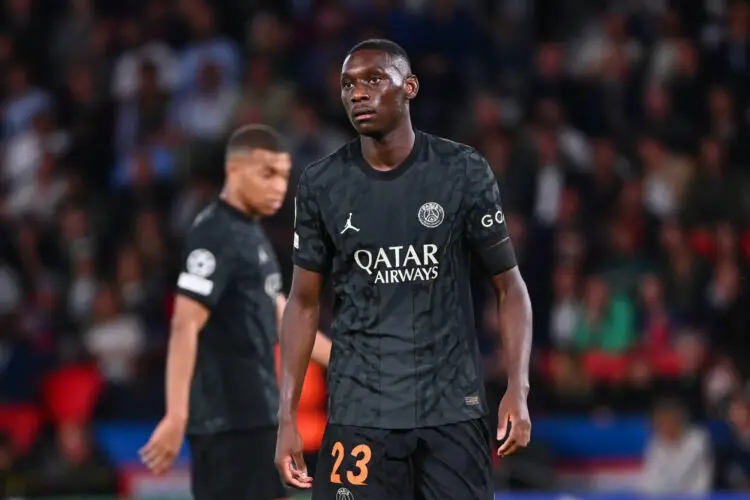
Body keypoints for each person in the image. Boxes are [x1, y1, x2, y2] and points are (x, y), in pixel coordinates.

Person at [276, 39, 533, 500]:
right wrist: (287, 415)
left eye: (374, 80)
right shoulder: (321, 184)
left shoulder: (462, 171)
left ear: (409, 87)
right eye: (348, 85)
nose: (358, 93)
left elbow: (509, 287)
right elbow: (303, 301)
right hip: (360, 414)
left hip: (452, 412)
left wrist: (518, 385)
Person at [139, 124, 332, 500]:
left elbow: (282, 317)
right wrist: (176, 415)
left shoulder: (251, 235)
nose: (279, 186)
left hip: (255, 418)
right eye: (267, 174)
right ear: (235, 172)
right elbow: (184, 325)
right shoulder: (214, 232)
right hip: (225, 422)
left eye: (283, 175)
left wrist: (346, 360)